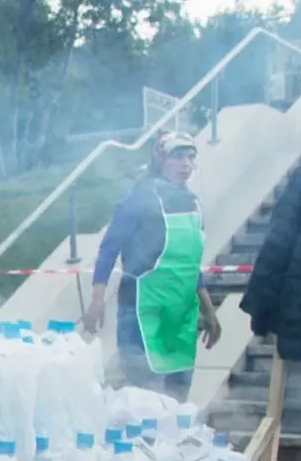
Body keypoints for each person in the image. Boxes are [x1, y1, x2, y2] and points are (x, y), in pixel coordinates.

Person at [83, 132, 222, 398]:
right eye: (178, 156)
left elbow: (190, 265)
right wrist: (97, 300)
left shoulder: (193, 203)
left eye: (191, 157)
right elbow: (108, 250)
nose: (186, 164)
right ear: (160, 159)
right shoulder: (138, 199)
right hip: (142, 311)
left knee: (178, 396)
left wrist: (209, 311)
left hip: (181, 315)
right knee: (142, 396)